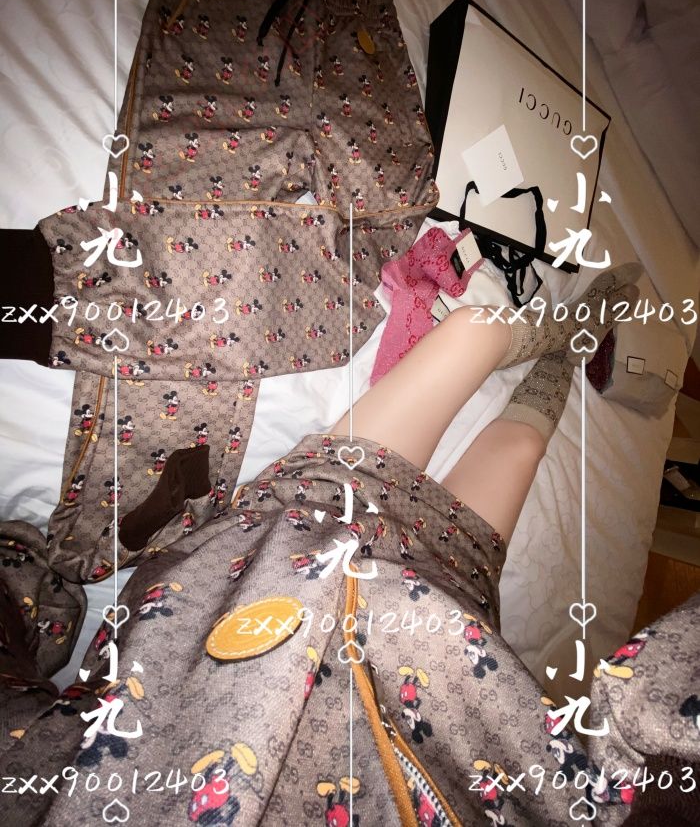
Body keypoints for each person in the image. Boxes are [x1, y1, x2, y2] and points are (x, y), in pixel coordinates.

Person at [1, 263, 698, 826]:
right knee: (514, 440)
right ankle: (575, 336)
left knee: (471, 339)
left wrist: (29, 585)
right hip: (443, 661)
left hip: (290, 554)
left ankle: (573, 328)